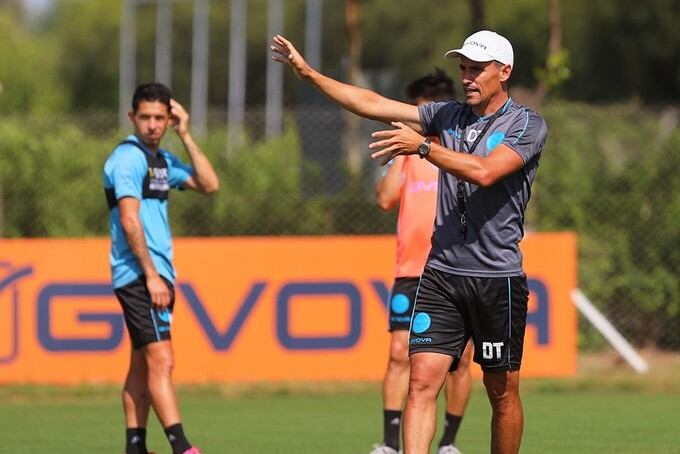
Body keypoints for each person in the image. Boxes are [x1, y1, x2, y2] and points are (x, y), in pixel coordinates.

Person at [271, 29, 547, 454]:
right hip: (440, 275)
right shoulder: (446, 115)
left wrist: (422, 148)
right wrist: (309, 74)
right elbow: (374, 104)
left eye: (478, 69)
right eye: (464, 69)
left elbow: (485, 171)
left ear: (504, 72)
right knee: (420, 381)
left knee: (502, 391)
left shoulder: (527, 124)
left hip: (496, 280)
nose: (468, 77)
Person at [103, 82, 219, 454]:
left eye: (160, 118)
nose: (153, 124)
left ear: (169, 119)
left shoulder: (162, 162)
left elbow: (209, 183)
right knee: (162, 360)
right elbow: (129, 219)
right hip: (139, 274)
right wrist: (150, 274)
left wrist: (185, 134)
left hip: (155, 274)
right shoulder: (128, 158)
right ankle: (182, 447)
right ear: (132, 117)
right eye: (146, 117)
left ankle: (135, 448)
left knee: (142, 367)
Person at [372, 70, 473, 454]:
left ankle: (448, 443)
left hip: (455, 268)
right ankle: (389, 443)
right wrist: (403, 152)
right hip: (411, 271)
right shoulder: (410, 156)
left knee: (460, 361)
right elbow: (384, 199)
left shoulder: (460, 153)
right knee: (400, 353)